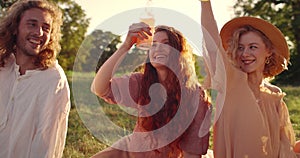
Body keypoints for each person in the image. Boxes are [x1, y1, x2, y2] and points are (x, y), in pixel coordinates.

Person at [91, 23, 212, 158]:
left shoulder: (196, 97)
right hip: (133, 150)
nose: (158, 48)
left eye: (166, 44)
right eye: (154, 44)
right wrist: (126, 46)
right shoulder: (142, 82)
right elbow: (99, 88)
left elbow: (191, 153)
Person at [200, 0, 300, 157]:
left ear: (268, 51)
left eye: (253, 47)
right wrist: (205, 3)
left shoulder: (274, 95)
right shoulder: (230, 82)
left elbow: (284, 146)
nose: (245, 54)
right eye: (240, 48)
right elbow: (212, 45)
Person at [0, 0, 70, 157]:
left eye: (46, 28)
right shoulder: (3, 66)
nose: (39, 33)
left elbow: (48, 142)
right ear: (15, 28)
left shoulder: (53, 79)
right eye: (32, 24)